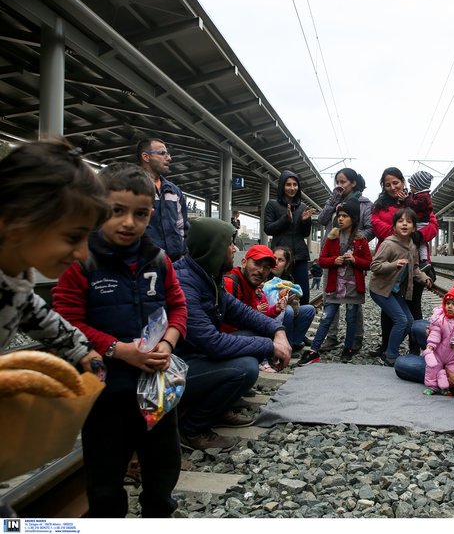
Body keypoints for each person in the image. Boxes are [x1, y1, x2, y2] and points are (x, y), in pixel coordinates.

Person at [52, 163, 187, 518]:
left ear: (150, 215)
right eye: (117, 211)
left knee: (163, 465)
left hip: (156, 391)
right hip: (104, 392)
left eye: (140, 214)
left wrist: (168, 343)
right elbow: (66, 320)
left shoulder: (158, 260)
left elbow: (178, 306)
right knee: (105, 475)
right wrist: (118, 350)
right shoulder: (81, 262)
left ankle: (158, 513)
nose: (129, 222)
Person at [173, 218, 292, 450]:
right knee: (245, 368)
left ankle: (216, 410)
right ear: (213, 248)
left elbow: (242, 313)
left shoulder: (207, 277)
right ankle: (191, 429)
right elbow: (212, 343)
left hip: (193, 358)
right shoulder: (185, 284)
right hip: (175, 368)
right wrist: (269, 346)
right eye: (229, 243)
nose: (234, 249)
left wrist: (277, 331)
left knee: (256, 335)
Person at [0, 140, 106, 372]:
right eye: (72, 237)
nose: (83, 254)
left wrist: (81, 350)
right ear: (15, 222)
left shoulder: (14, 281)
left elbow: (36, 313)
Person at [371, 168, 439, 357]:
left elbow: (433, 225)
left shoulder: (416, 200)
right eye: (387, 184)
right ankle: (386, 346)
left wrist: (415, 236)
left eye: (396, 183)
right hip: (390, 259)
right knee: (388, 308)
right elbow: (376, 225)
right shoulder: (380, 205)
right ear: (383, 186)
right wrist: (400, 234)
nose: (392, 187)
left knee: (414, 305)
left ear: (403, 182)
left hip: (413, 260)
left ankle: (414, 347)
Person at [300, 199, 372, 366]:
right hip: (335, 287)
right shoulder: (332, 237)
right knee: (326, 317)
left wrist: (355, 260)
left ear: (353, 218)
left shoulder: (361, 239)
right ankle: (314, 350)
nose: (340, 218)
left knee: (351, 319)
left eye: (345, 216)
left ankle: (348, 348)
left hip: (354, 288)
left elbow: (369, 263)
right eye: (339, 216)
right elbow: (322, 260)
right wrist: (334, 260)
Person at [221, 244, 310, 372]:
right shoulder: (230, 284)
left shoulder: (251, 287)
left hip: (230, 340)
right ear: (244, 262)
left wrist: (276, 314)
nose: (261, 271)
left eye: (266, 267)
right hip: (221, 343)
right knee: (251, 366)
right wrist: (268, 346)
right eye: (257, 264)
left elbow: (255, 316)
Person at [316, 168, 374, 352]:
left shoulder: (365, 204)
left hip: (352, 258)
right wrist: (332, 201)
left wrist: (355, 241)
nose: (339, 185)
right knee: (330, 297)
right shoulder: (334, 201)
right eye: (337, 182)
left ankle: (356, 337)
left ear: (353, 183)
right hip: (333, 257)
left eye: (343, 182)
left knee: (353, 301)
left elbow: (370, 228)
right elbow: (322, 219)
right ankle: (331, 336)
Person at [369, 208, 432, 367]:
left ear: (414, 227)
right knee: (401, 320)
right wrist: (393, 264)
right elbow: (374, 266)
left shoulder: (412, 245)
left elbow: (414, 267)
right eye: (400, 221)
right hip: (381, 290)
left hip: (395, 291)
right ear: (394, 226)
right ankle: (391, 356)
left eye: (409, 222)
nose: (404, 224)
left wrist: (424, 278)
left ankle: (389, 351)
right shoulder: (388, 244)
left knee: (409, 322)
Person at [263, 170, 316, 305]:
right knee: (278, 291)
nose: (292, 188)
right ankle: (280, 316)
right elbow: (268, 228)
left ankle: (302, 314)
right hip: (280, 256)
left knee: (303, 292)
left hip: (299, 255)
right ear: (282, 186)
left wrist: (305, 221)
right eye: (288, 184)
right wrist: (285, 219)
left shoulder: (302, 207)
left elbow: (305, 233)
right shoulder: (272, 205)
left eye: (295, 185)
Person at [136, 138, 189, 261]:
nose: (169, 158)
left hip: (175, 263)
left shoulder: (174, 191)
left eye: (168, 154)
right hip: (144, 263)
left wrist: (183, 254)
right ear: (146, 157)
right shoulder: (133, 187)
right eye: (162, 153)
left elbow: (183, 228)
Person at [420, 285, 454, 396]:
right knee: (432, 368)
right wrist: (431, 345)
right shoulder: (440, 318)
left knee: (452, 372)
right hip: (439, 352)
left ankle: (445, 387)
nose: (449, 306)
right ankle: (432, 386)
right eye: (447, 303)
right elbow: (435, 332)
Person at [267, 246, 316, 355]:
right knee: (288, 310)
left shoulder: (288, 279)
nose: (276, 262)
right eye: (274, 258)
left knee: (309, 309)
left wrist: (293, 298)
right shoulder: (264, 274)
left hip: (284, 309)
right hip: (269, 314)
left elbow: (296, 299)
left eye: (280, 260)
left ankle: (294, 344)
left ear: (286, 264)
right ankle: (286, 346)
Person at [406, 170, 434, 261]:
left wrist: (407, 199)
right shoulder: (421, 195)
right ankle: (423, 260)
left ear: (417, 186)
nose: (410, 187)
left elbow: (414, 205)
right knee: (420, 243)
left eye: (411, 185)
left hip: (421, 223)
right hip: (419, 221)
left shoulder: (424, 197)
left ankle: (424, 260)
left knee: (421, 242)